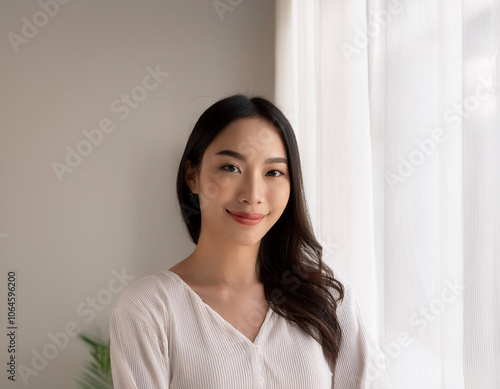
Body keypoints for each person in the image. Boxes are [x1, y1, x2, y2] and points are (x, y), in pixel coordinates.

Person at [109, 94, 391, 388]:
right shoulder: (149, 308)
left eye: (273, 172)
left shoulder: (328, 299)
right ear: (192, 176)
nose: (253, 194)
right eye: (231, 167)